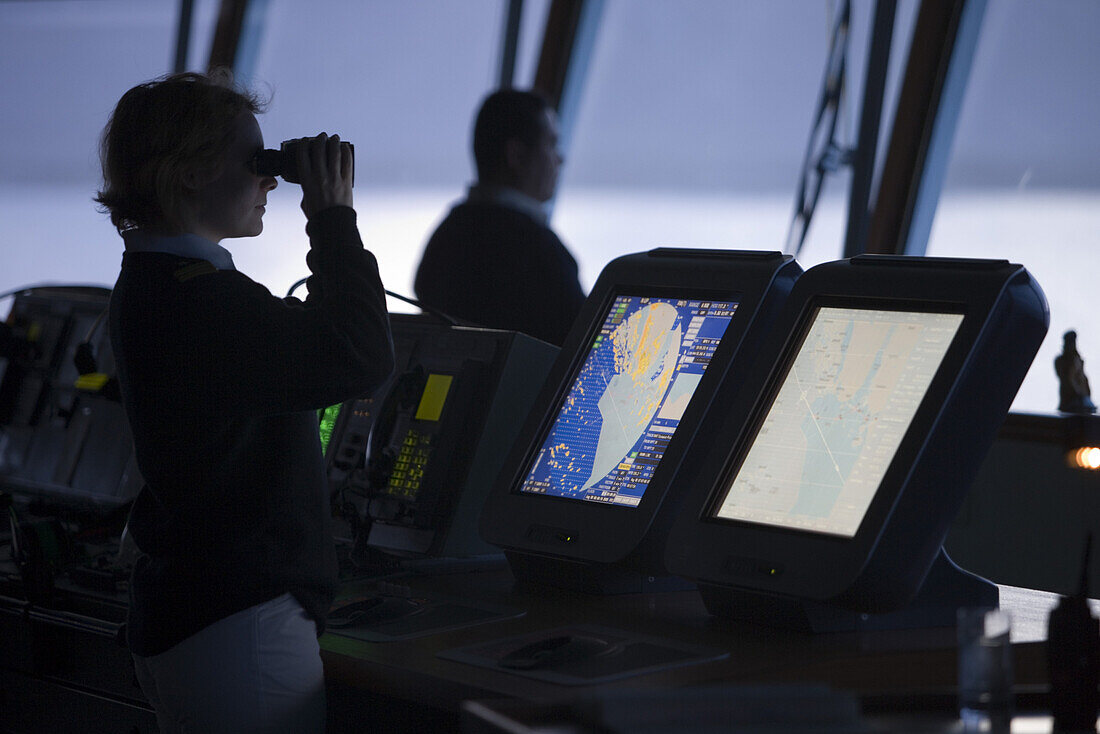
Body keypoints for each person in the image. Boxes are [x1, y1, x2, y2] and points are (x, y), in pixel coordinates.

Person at [96, 72, 394, 732]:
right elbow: (361, 353)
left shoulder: (159, 285)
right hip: (240, 629)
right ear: (193, 173)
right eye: (257, 163)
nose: (270, 182)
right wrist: (332, 216)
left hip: (202, 617)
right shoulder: (198, 302)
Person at [414, 89, 586, 346]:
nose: (560, 159)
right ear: (516, 156)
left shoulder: (447, 236)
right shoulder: (541, 255)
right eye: (551, 143)